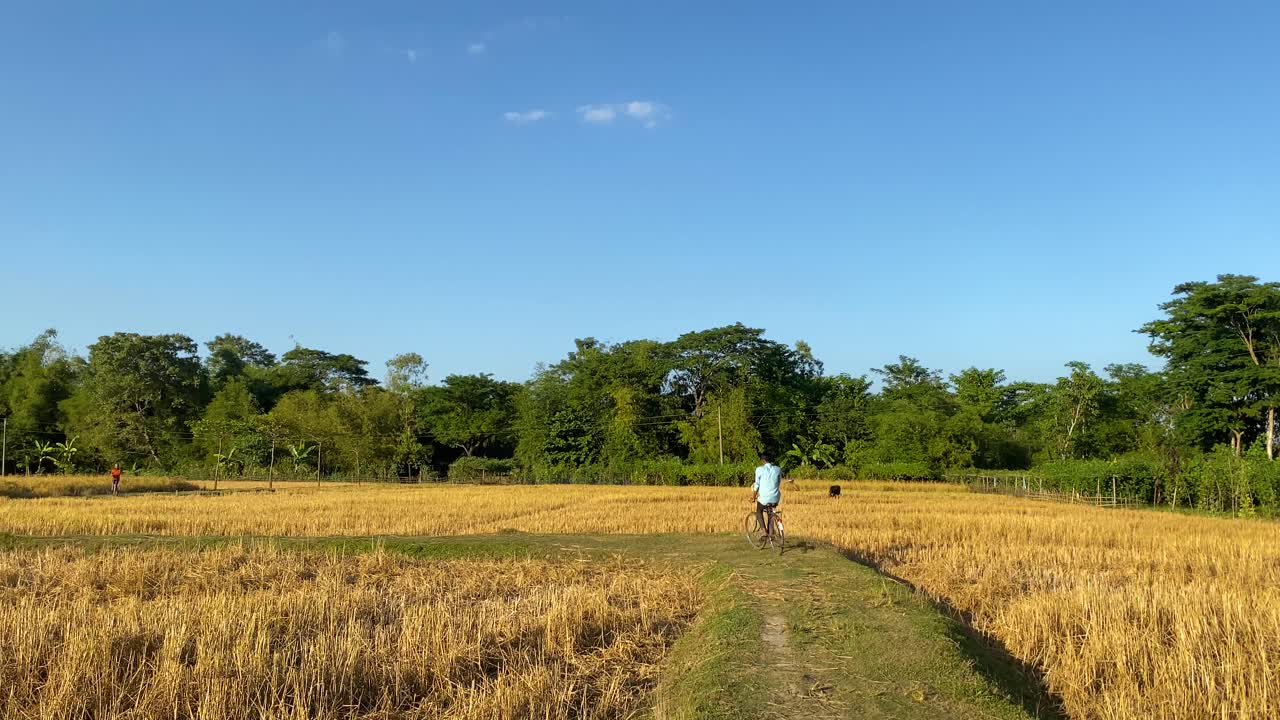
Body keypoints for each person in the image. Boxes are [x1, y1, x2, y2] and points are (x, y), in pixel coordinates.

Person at [752, 454, 783, 540]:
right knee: (771, 512)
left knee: (759, 511)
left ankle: (763, 530)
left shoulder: (759, 470)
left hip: (764, 498)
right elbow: (778, 482)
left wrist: (753, 496)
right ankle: (771, 531)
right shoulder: (777, 469)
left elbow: (757, 485)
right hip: (775, 497)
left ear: (763, 461)